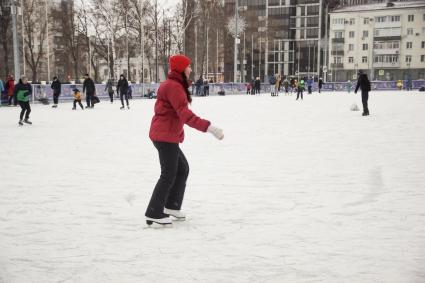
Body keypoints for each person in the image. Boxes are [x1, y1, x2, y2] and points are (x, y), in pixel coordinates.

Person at [145, 54, 224, 225]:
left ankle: (171, 205)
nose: (191, 69)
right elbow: (185, 114)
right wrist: (209, 128)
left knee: (182, 169)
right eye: (188, 66)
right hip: (164, 136)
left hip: (166, 134)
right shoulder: (174, 87)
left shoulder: (174, 85)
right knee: (168, 174)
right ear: (181, 69)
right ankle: (154, 211)